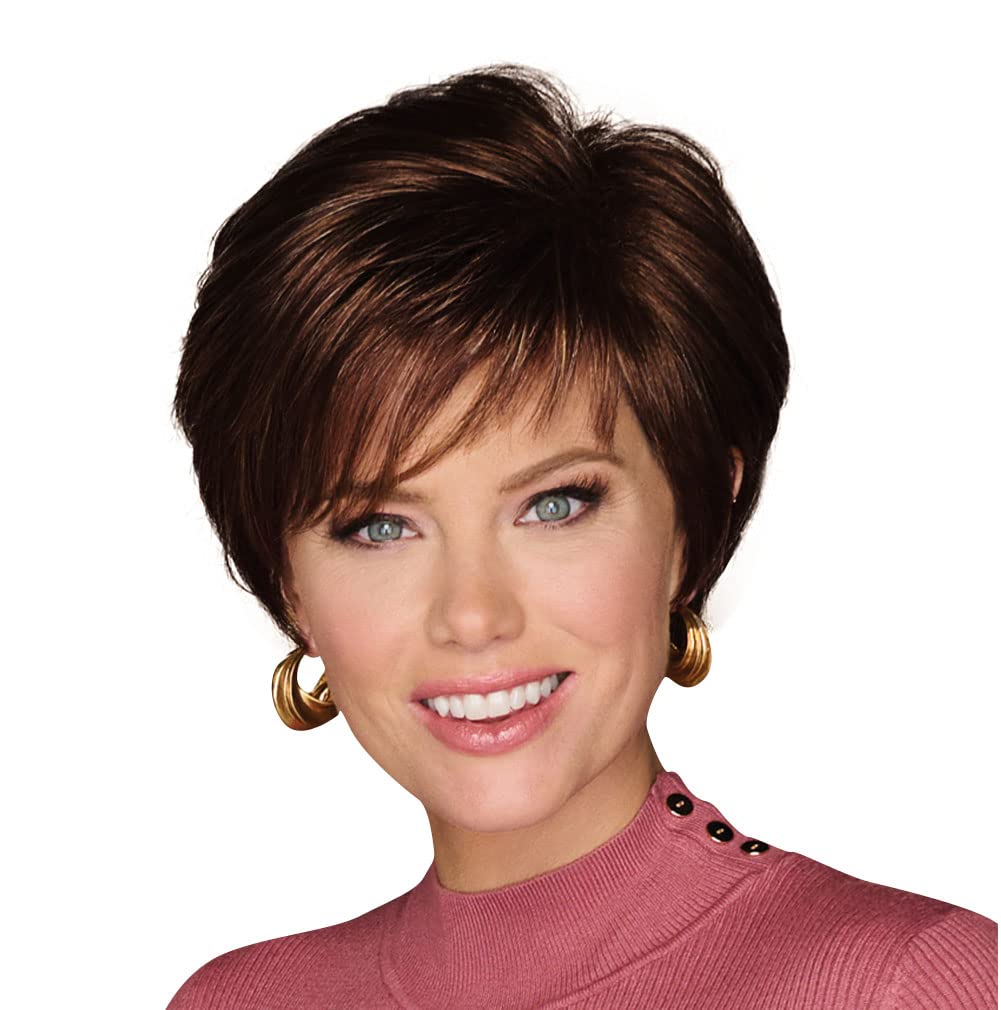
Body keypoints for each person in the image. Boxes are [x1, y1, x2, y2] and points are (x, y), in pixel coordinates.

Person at [165, 63, 998, 1009]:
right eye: (379, 526)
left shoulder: (905, 984)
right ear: (289, 585)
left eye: (554, 505)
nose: (472, 615)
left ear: (693, 519)